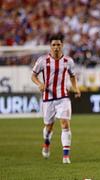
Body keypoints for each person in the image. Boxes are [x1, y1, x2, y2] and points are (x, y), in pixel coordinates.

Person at [31, 33, 81, 164]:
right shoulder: (42, 60)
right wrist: (39, 84)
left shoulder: (68, 61)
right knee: (49, 126)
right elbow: (33, 76)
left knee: (65, 124)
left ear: (62, 45)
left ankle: (66, 156)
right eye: (54, 45)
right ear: (50, 46)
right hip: (48, 99)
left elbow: (72, 76)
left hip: (63, 97)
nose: (56, 47)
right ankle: (46, 143)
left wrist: (76, 88)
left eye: (58, 44)